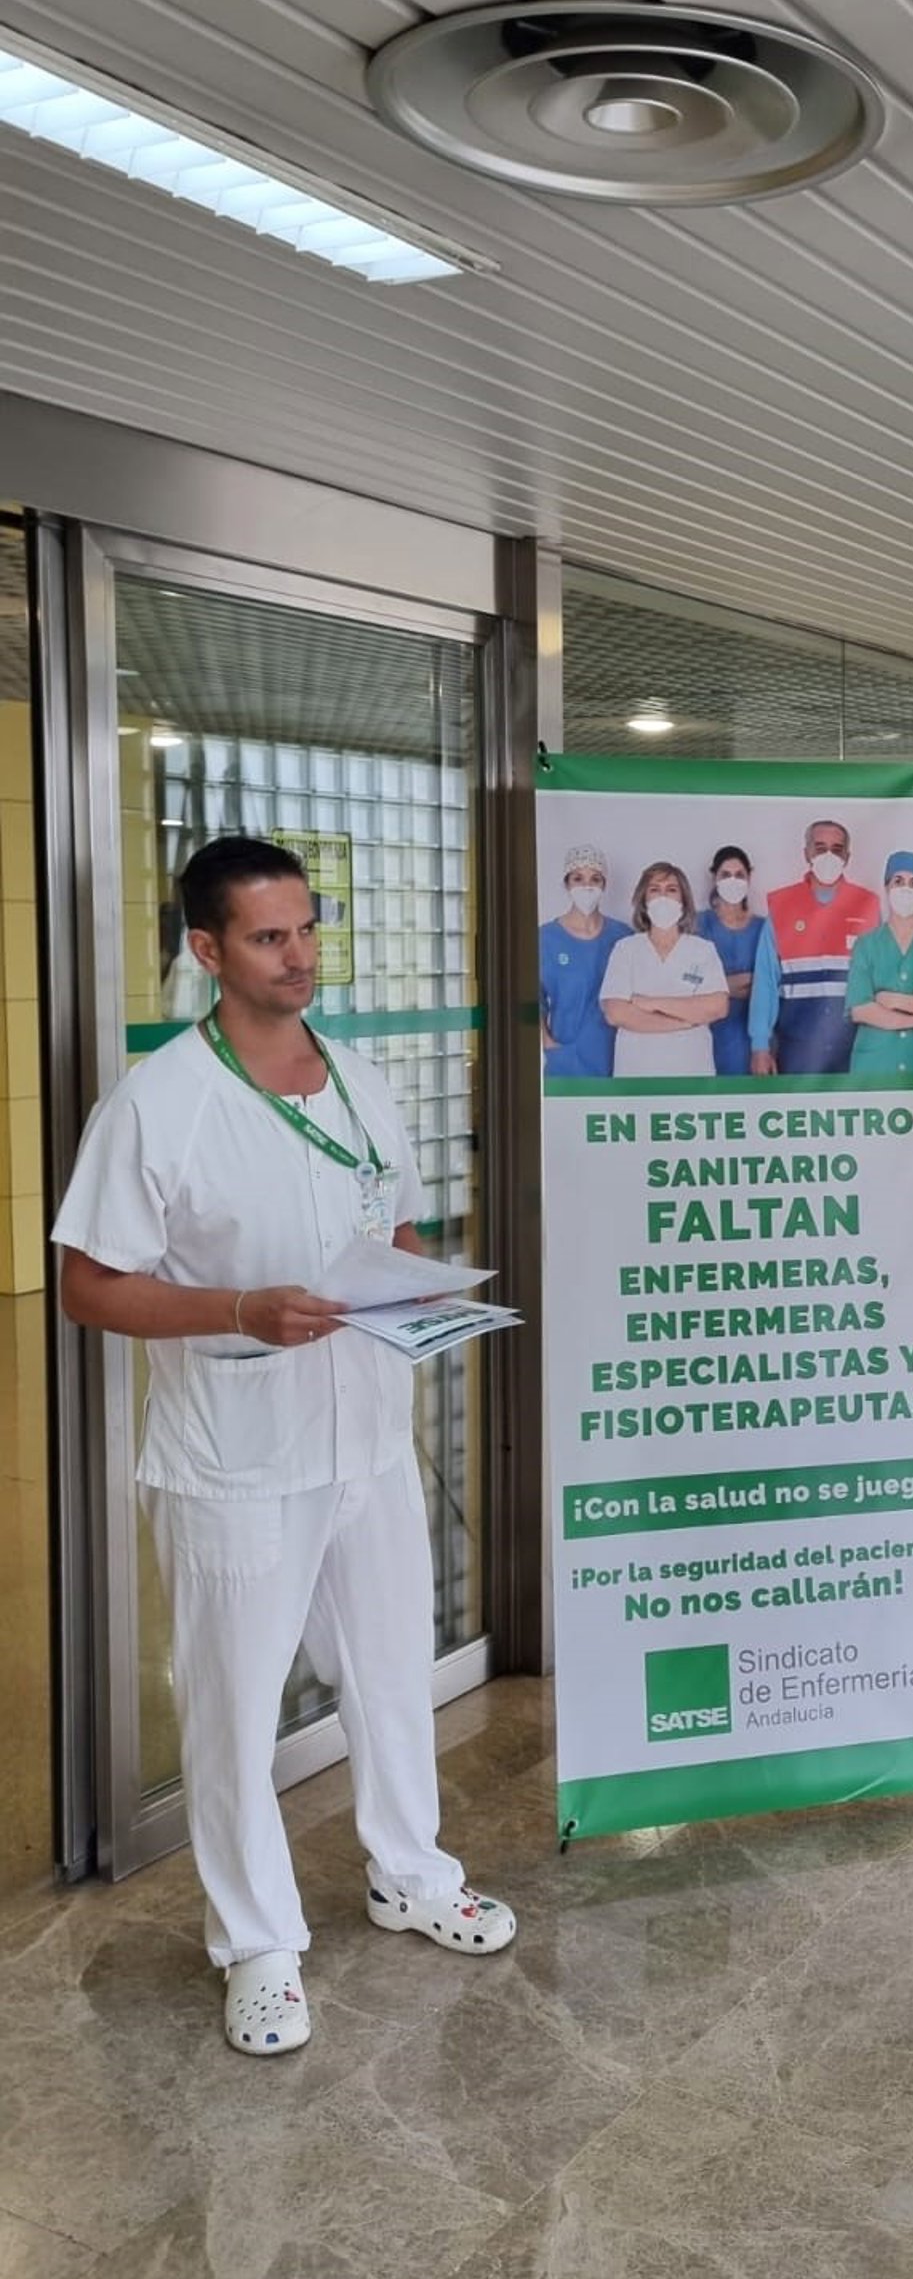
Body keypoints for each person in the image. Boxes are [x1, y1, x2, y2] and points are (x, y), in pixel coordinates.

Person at [52, 836, 517, 2059]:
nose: (300, 955)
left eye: (309, 929)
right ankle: (256, 1944)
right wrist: (238, 1309)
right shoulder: (159, 1104)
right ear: (207, 951)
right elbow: (88, 1286)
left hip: (366, 1437)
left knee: (390, 1673)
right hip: (235, 1456)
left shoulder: (359, 1079)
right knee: (233, 1706)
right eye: (269, 937)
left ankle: (411, 1872)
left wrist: (424, 1287)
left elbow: (392, 1226)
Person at [750, 816, 880, 1077]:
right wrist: (760, 1045)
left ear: (847, 856)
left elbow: (882, 978)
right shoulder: (782, 905)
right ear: (806, 853)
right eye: (820, 848)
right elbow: (766, 981)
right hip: (797, 1047)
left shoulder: (868, 905)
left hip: (857, 1045)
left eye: (837, 849)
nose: (828, 855)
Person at [598, 860, 730, 1077]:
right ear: (643, 900)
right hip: (636, 1072)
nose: (663, 897)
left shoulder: (702, 950)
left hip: (692, 1070)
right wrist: (686, 1021)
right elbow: (616, 1013)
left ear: (684, 900)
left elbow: (717, 1007)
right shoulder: (626, 949)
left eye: (671, 890)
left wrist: (651, 1003)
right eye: (654, 890)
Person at [846, 849, 913, 1080]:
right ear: (887, 887)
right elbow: (860, 1009)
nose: (906, 889)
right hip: (876, 1066)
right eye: (898, 881)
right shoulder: (866, 945)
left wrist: (894, 1000)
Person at [539, 842, 632, 1078]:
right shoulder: (546, 939)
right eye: (578, 878)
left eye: (595, 879)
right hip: (567, 1056)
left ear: (604, 885)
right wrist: (546, 1041)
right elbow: (532, 999)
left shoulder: (623, 936)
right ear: (567, 884)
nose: (587, 886)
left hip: (619, 1054)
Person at [695, 844, 775, 1078]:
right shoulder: (697, 925)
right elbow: (686, 982)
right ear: (714, 878)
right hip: (705, 1033)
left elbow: (769, 984)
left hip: (752, 1039)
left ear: (749, 878)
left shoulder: (763, 928)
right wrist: (729, 985)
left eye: (739, 875)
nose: (733, 881)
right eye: (725, 875)